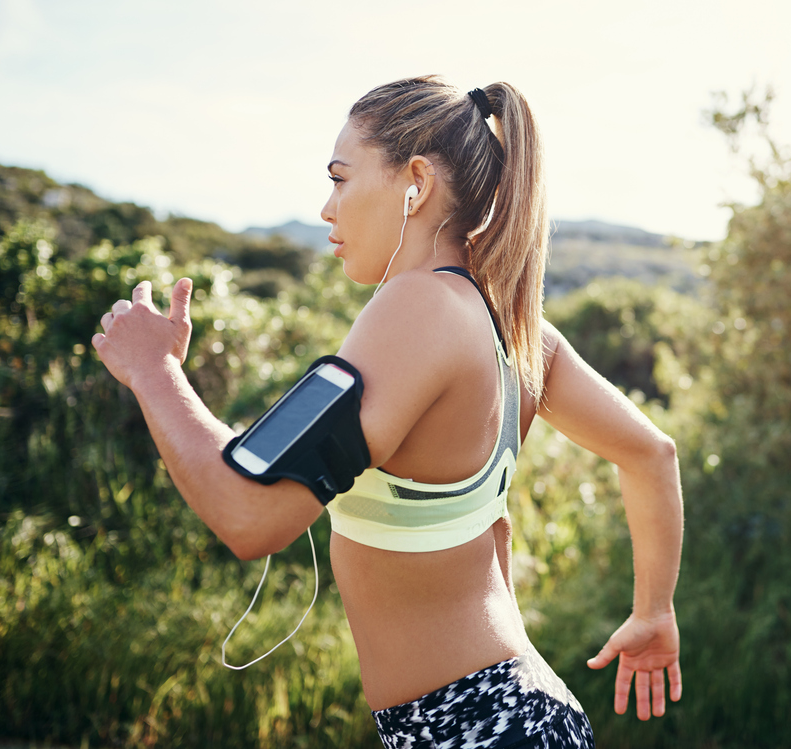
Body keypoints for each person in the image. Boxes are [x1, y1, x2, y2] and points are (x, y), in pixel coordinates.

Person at [90, 77, 683, 748]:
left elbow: (250, 515)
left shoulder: (417, 308)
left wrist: (153, 371)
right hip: (514, 713)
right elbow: (650, 453)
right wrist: (654, 609)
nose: (326, 207)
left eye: (341, 179)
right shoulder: (514, 330)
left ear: (416, 182)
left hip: (477, 725)